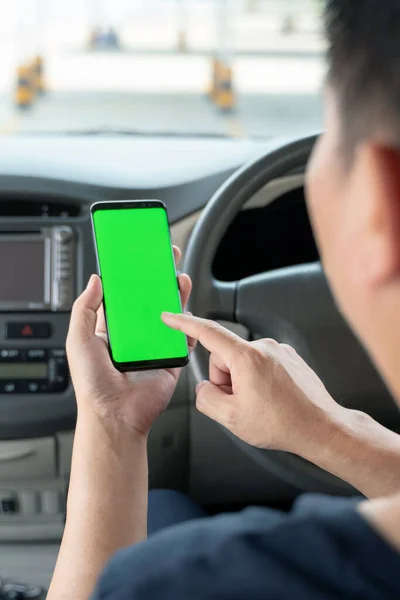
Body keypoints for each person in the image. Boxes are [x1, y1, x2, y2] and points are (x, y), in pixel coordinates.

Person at [48, 1, 400, 598]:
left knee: (163, 506)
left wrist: (111, 423)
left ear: (377, 200)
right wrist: (330, 430)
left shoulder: (195, 581)